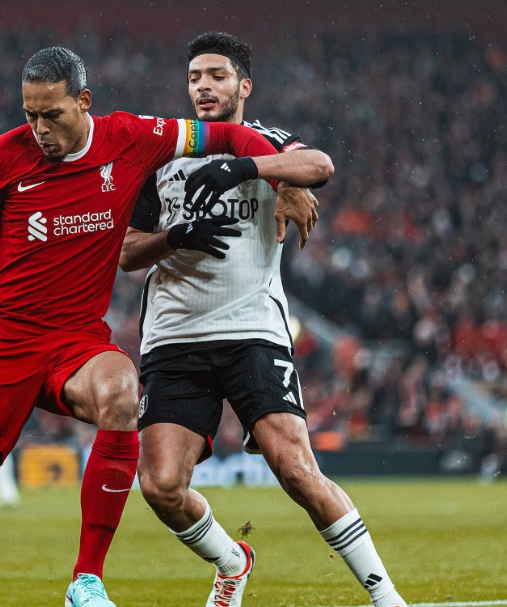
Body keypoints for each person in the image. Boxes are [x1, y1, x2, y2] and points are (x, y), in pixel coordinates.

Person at [0, 46, 332, 607]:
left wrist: (283, 180)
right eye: (30, 115)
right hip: (2, 339)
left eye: (53, 115)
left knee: (121, 389)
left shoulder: (134, 137)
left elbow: (230, 140)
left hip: (76, 340)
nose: (40, 129)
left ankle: (86, 581)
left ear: (84, 102)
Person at [119, 31, 407, 607]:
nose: (204, 86)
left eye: (218, 76)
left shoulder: (269, 143)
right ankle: (232, 562)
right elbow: (126, 252)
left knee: (297, 469)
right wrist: (175, 237)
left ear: (244, 86)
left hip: (252, 329)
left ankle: (385, 597)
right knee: (160, 486)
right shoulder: (162, 155)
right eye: (196, 77)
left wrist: (245, 170)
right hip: (174, 337)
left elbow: (319, 165)